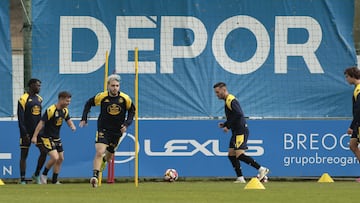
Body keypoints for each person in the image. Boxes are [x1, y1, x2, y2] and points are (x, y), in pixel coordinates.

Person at [79, 74, 135, 188]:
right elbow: (88, 103)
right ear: (108, 86)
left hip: (117, 131)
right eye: (113, 85)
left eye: (117, 86)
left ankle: (104, 160)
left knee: (109, 157)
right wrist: (84, 118)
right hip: (103, 129)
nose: (115, 88)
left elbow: (132, 111)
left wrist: (126, 124)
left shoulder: (125, 98)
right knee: (99, 151)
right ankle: (95, 176)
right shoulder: (102, 96)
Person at [213, 82, 269, 183]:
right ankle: (240, 178)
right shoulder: (227, 101)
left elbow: (239, 114)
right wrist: (225, 124)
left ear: (224, 90)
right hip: (236, 131)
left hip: (240, 131)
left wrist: (228, 126)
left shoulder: (230, 99)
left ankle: (261, 169)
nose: (216, 94)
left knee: (239, 154)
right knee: (231, 154)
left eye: (217, 92)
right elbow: (234, 115)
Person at [31, 91, 76, 184]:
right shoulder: (51, 110)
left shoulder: (65, 111)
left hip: (57, 138)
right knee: (54, 157)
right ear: (61, 99)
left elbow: (68, 119)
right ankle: (43, 175)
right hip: (47, 137)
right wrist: (35, 136)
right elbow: (41, 123)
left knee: (61, 158)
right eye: (67, 101)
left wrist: (72, 126)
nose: (68, 103)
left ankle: (54, 181)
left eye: (69, 101)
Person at [17, 78, 47, 184]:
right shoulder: (23, 99)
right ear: (31, 86)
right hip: (26, 132)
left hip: (37, 132)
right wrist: (24, 133)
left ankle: (36, 174)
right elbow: (21, 118)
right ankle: (22, 179)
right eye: (37, 85)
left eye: (40, 85)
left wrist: (41, 130)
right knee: (24, 154)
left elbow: (40, 118)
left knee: (44, 151)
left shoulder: (39, 99)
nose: (39, 87)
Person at [344, 67, 360, 181]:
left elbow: (359, 109)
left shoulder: (359, 89)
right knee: (352, 145)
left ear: (352, 76)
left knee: (353, 145)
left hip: (359, 123)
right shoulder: (356, 89)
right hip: (357, 123)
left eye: (346, 77)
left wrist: (352, 126)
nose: (346, 79)